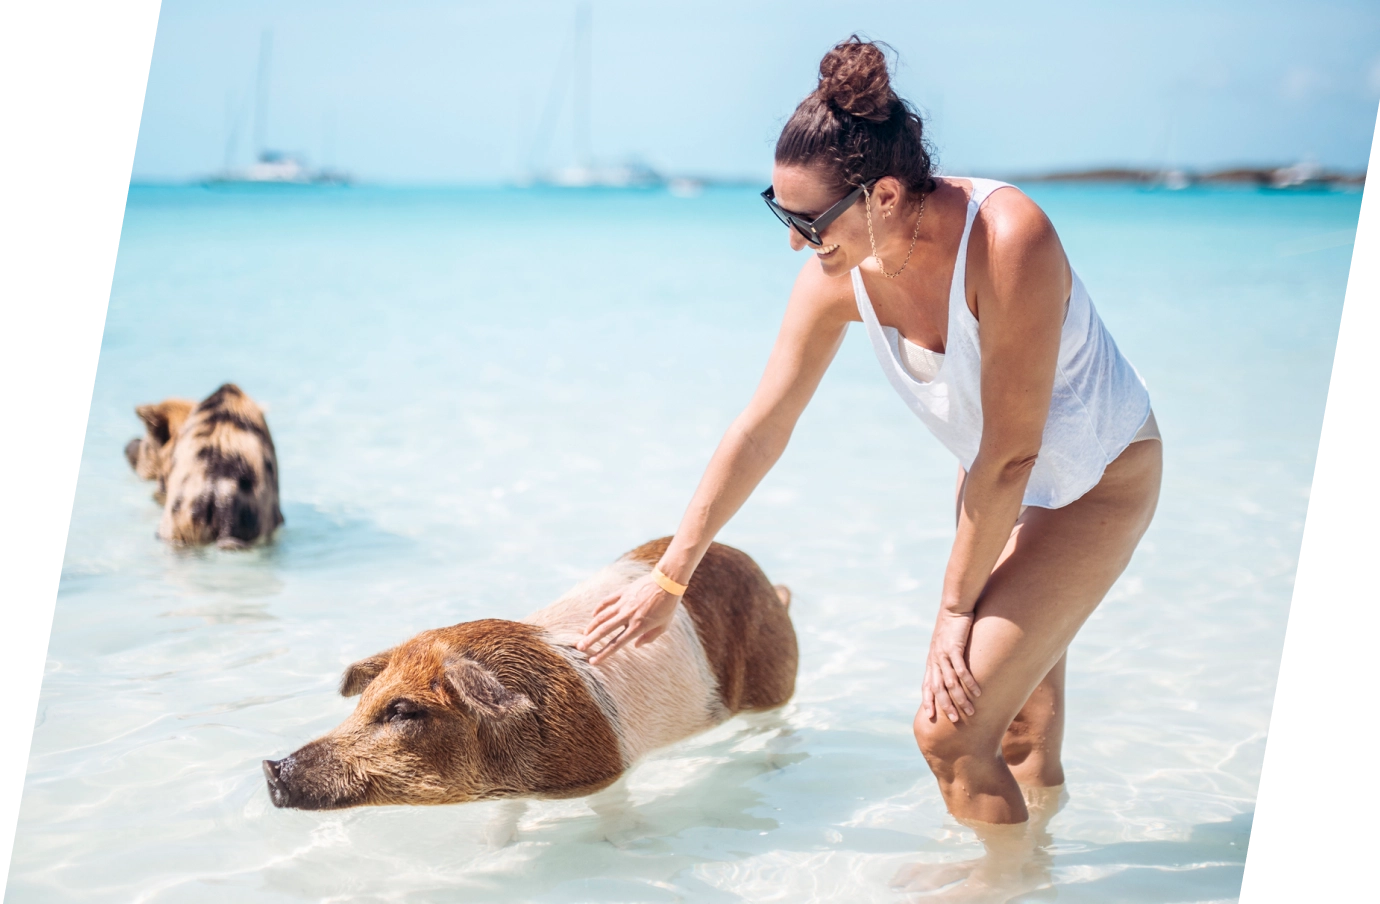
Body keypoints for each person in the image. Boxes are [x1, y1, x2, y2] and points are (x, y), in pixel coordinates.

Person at [577, 36, 1161, 828]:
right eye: (778, 212)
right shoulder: (837, 277)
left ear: (883, 195)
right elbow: (762, 426)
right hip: (992, 493)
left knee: (950, 733)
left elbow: (1013, 450)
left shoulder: (1007, 239)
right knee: (1017, 729)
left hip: (1095, 484)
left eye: (807, 220)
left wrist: (952, 614)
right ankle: (1037, 872)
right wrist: (671, 576)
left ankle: (994, 888)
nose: (793, 240)